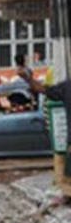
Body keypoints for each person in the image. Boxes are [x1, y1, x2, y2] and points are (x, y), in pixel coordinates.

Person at [19, 67, 71, 203]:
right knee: (67, 177)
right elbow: (44, 89)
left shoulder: (67, 86)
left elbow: (44, 89)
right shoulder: (67, 87)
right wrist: (28, 79)